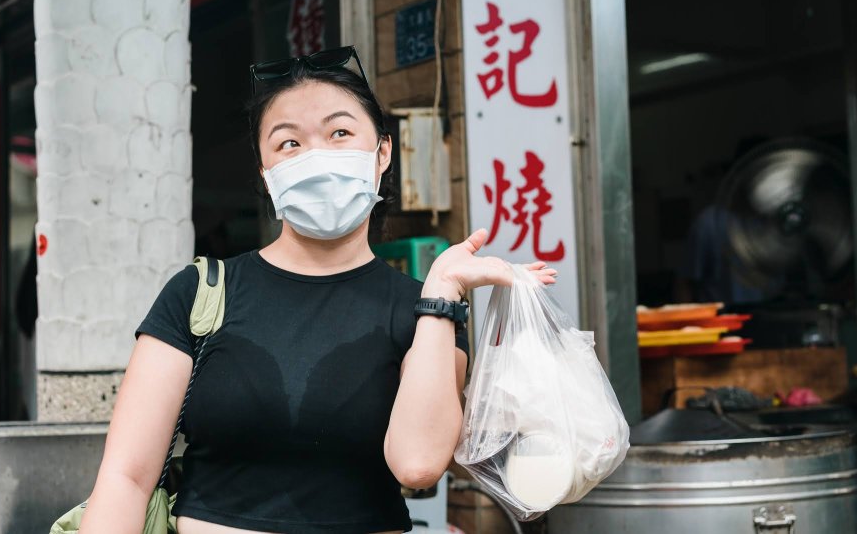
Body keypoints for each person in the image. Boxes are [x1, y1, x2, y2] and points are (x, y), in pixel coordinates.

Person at [78, 46, 557, 534]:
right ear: (266, 174)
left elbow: (418, 465)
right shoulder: (199, 292)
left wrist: (440, 295)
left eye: (340, 133)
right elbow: (125, 479)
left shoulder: (423, 311)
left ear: (383, 152)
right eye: (289, 143)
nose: (317, 157)